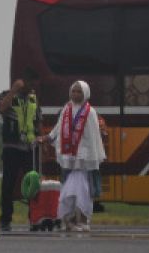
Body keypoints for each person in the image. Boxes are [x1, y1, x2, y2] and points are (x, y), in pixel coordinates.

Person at [39, 80, 105, 232]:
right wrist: (47, 138)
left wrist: (87, 153)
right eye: (73, 91)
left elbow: (93, 137)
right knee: (68, 189)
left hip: (84, 159)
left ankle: (82, 219)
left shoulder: (90, 112)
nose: (75, 94)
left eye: (79, 92)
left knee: (84, 190)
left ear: (85, 94)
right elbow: (57, 129)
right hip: (69, 158)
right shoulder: (66, 109)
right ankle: (69, 220)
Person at [0, 78, 40, 232]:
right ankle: (5, 219)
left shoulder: (33, 98)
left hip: (29, 148)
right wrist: (13, 90)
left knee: (33, 183)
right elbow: (1, 109)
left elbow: (37, 120)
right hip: (12, 147)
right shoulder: (7, 95)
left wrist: (38, 137)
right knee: (8, 184)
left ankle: (35, 218)